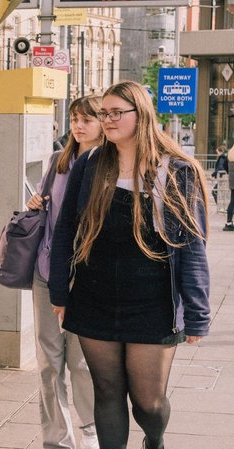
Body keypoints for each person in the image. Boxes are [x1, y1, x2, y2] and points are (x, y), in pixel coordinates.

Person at [49, 81, 211, 449]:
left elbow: (191, 246)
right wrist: (60, 289)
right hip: (93, 295)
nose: (107, 120)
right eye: (103, 113)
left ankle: (154, 440)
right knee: (106, 392)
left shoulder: (175, 170)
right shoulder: (89, 164)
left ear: (142, 115)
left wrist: (198, 313)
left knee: (149, 404)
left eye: (116, 113)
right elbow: (64, 232)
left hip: (153, 303)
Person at [26, 96, 102, 449]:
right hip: (47, 270)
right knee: (48, 363)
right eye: (74, 118)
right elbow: (46, 204)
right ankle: (57, 439)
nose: (78, 125)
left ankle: (89, 431)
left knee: (82, 362)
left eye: (87, 118)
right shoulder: (59, 160)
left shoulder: (108, 164)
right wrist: (35, 203)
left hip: (87, 278)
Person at [225, 144, 234, 231]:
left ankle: (229, 221)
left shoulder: (230, 154)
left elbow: (225, 166)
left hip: (232, 181)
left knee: (232, 202)